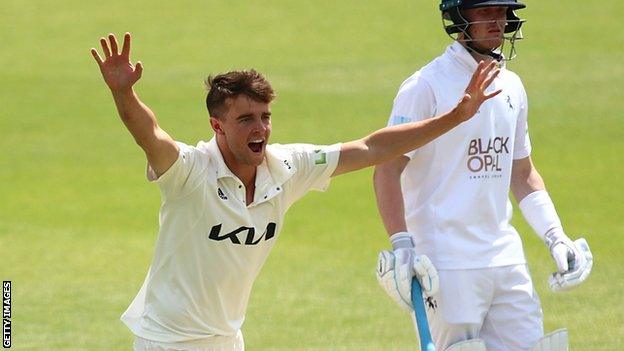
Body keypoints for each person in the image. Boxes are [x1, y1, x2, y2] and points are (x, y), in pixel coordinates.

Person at [90, 32, 500, 351]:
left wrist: (455, 117)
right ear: (217, 126)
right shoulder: (189, 172)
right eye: (246, 119)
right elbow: (151, 135)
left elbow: (372, 147)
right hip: (166, 342)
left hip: (228, 340)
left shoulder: (287, 167)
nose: (260, 129)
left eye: (265, 117)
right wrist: (123, 92)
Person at [373, 1, 593, 350]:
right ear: (459, 16)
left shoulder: (513, 85)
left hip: (504, 255)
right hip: (445, 261)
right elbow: (387, 167)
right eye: (485, 11)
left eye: (503, 11)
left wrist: (555, 235)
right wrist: (401, 244)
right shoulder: (425, 86)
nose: (498, 21)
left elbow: (522, 172)